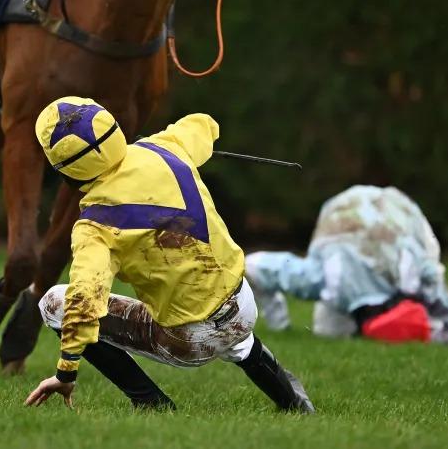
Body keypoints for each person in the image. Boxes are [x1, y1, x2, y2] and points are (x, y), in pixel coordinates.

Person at [23, 96, 314, 413]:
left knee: (54, 302)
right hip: (243, 305)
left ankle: (151, 403)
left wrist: (66, 372)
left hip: (188, 339)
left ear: (64, 171)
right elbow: (202, 123)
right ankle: (294, 403)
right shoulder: (165, 146)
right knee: (234, 331)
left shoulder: (93, 227)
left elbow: (84, 301)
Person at [245, 185, 448, 344]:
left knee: (441, 324)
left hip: (402, 218)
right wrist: (280, 326)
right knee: (329, 333)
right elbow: (254, 266)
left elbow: (253, 265)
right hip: (343, 217)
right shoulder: (325, 279)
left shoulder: (411, 270)